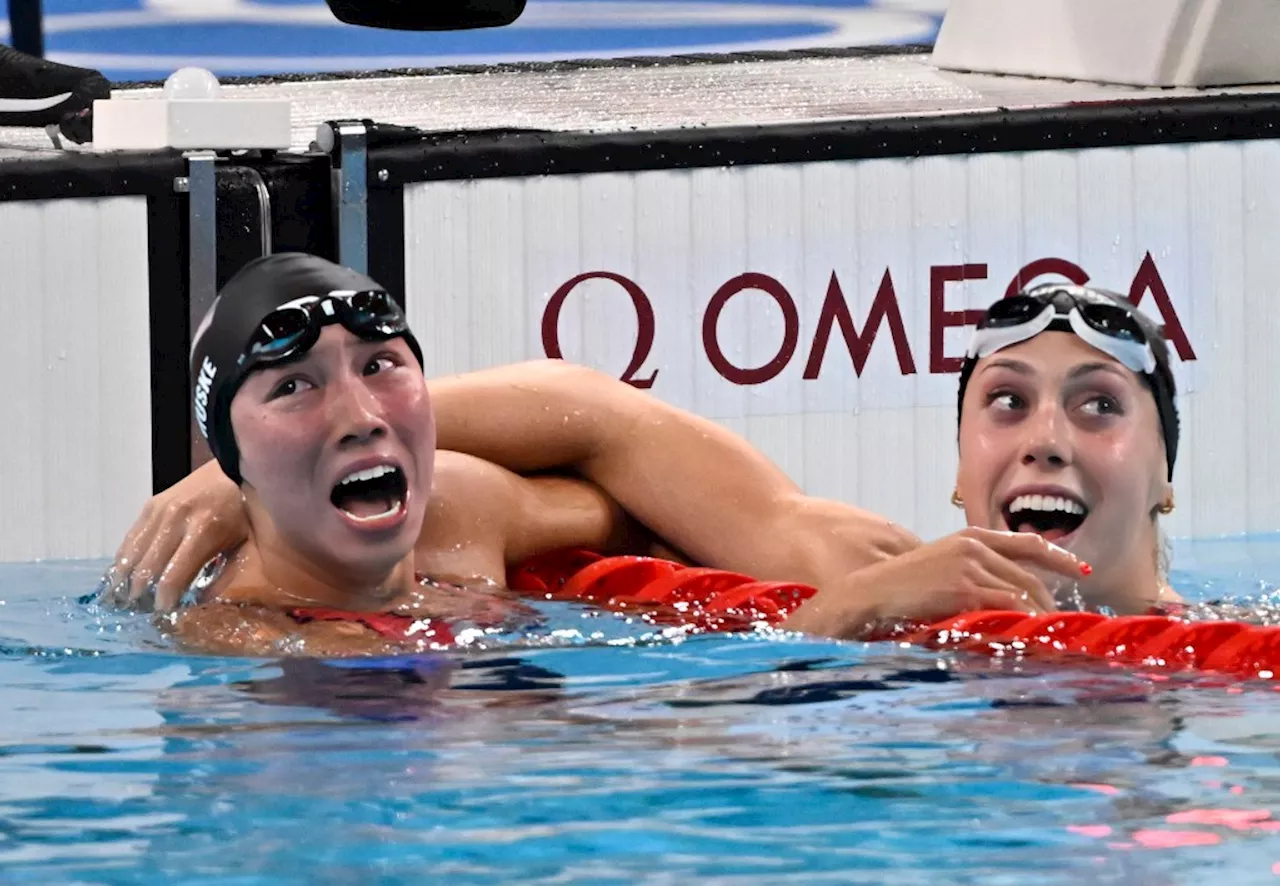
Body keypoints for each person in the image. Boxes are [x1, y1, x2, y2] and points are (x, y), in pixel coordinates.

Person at [107, 254, 1088, 654]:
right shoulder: (242, 641)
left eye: (382, 366)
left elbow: (603, 435)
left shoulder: (455, 509)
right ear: (224, 447)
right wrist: (834, 616)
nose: (359, 413)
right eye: (295, 386)